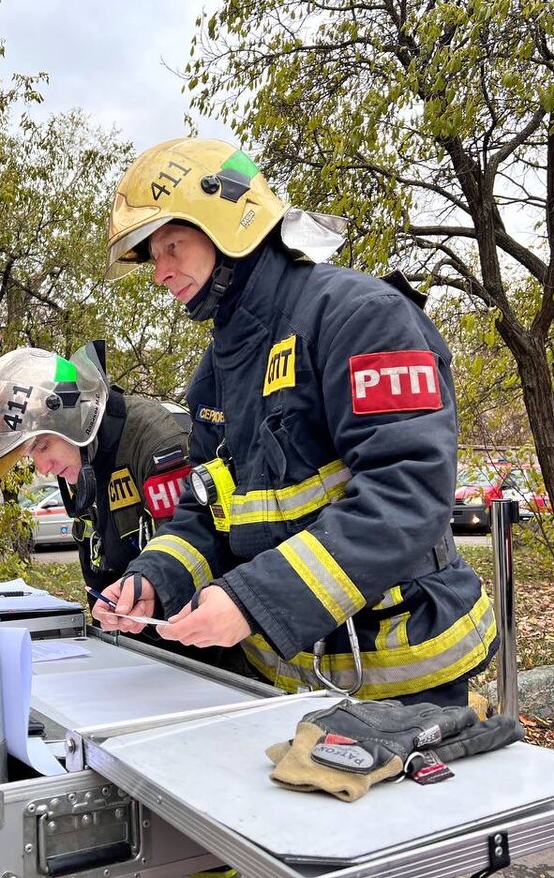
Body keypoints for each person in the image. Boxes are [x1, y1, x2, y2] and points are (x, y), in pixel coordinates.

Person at [92, 137, 497, 706]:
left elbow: (405, 497)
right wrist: (154, 578)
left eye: (172, 246)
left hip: (406, 683)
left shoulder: (361, 318)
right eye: (153, 257)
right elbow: (206, 508)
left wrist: (253, 602)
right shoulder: (216, 373)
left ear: (227, 222)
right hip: (288, 681)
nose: (160, 273)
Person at [0, 345, 192, 600]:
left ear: (75, 421)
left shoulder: (155, 441)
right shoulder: (84, 461)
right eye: (31, 455)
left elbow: (188, 542)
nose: (43, 468)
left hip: (182, 629)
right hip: (127, 630)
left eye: (43, 446)